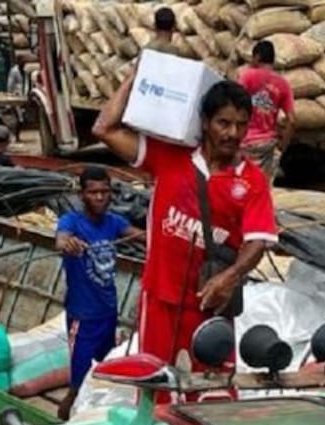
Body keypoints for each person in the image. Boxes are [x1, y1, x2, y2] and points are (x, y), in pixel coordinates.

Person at [92, 75, 277, 369]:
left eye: (241, 125)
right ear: (205, 122)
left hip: (211, 305)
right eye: (223, 123)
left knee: (210, 390)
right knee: (156, 383)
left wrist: (230, 277)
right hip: (160, 300)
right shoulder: (170, 157)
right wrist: (138, 74)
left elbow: (258, 241)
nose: (232, 133)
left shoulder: (252, 180)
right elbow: (104, 128)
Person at [55, 167, 144, 420]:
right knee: (77, 383)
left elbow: (140, 237)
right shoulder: (71, 222)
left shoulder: (114, 222)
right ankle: (62, 421)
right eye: (93, 192)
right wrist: (68, 245)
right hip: (83, 317)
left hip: (108, 313)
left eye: (105, 191)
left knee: (104, 373)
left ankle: (93, 416)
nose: (100, 197)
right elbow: (61, 240)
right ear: (82, 194)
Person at [237, 40, 295, 183]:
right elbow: (292, 120)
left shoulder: (247, 76)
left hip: (245, 143)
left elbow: (235, 105)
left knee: (239, 187)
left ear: (257, 57)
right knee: (261, 190)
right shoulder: (283, 84)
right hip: (267, 146)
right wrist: (282, 146)